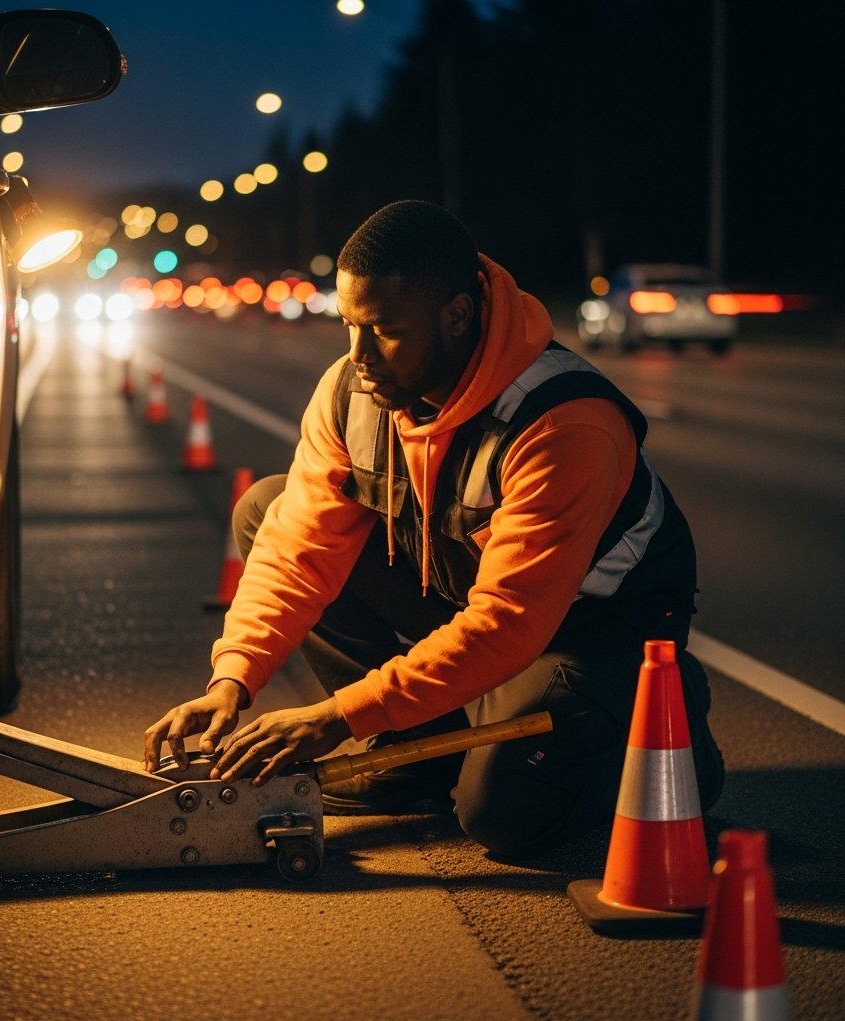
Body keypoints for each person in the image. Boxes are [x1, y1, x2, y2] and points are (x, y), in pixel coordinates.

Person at [143, 199, 724, 860]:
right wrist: (234, 678)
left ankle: (673, 737)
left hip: (595, 630)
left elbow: (508, 623)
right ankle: (413, 754)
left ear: (457, 315)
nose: (359, 355)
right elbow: (296, 550)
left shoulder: (562, 423)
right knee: (268, 507)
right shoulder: (352, 392)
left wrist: (336, 718)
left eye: (386, 329)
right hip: (474, 598)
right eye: (350, 325)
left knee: (504, 819)